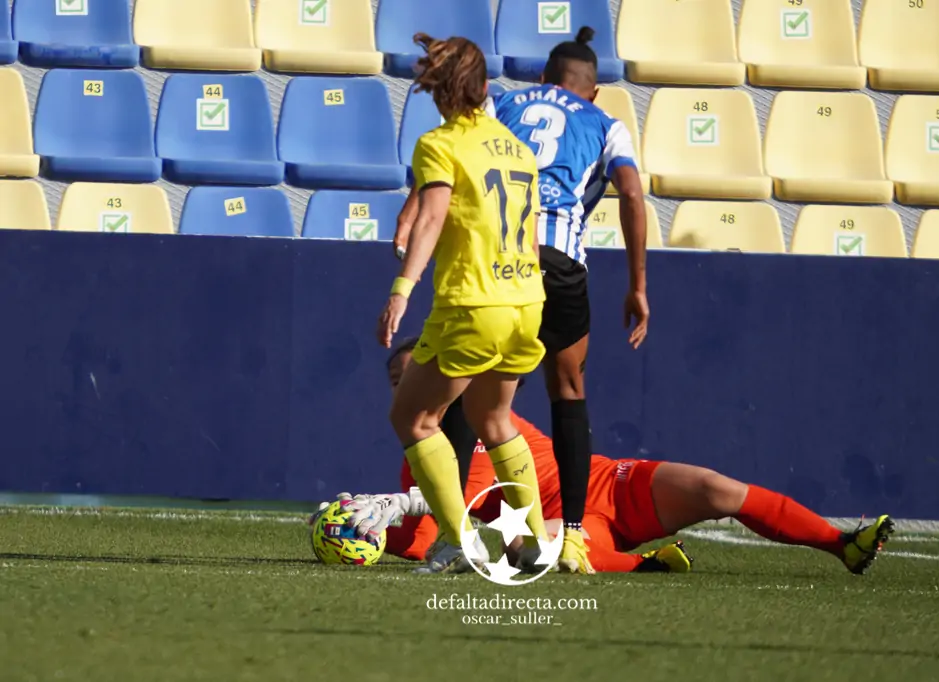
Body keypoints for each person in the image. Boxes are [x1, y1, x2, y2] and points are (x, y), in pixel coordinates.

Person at [394, 27, 650, 574]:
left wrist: (406, 256)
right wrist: (637, 285)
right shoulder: (600, 124)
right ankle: (564, 537)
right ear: (593, 88)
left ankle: (455, 535)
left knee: (432, 412)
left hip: (483, 283)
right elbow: (629, 191)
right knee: (553, 397)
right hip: (542, 281)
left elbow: (443, 187)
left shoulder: (502, 109)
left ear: (541, 77)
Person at [338, 338, 896, 575]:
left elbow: (437, 501)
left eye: (410, 373)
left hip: (610, 482)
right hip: (570, 523)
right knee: (536, 549)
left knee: (717, 489)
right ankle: (648, 566)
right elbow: (439, 528)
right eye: (395, 380)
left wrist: (392, 507)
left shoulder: (482, 415)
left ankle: (841, 544)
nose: (404, 386)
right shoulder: (423, 457)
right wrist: (368, 536)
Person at [376, 33, 552, 575]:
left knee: (414, 416)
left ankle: (459, 541)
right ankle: (531, 544)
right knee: (493, 417)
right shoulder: (517, 147)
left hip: (474, 303)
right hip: (526, 299)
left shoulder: (440, 144)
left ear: (442, 90)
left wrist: (401, 289)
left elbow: (431, 219)